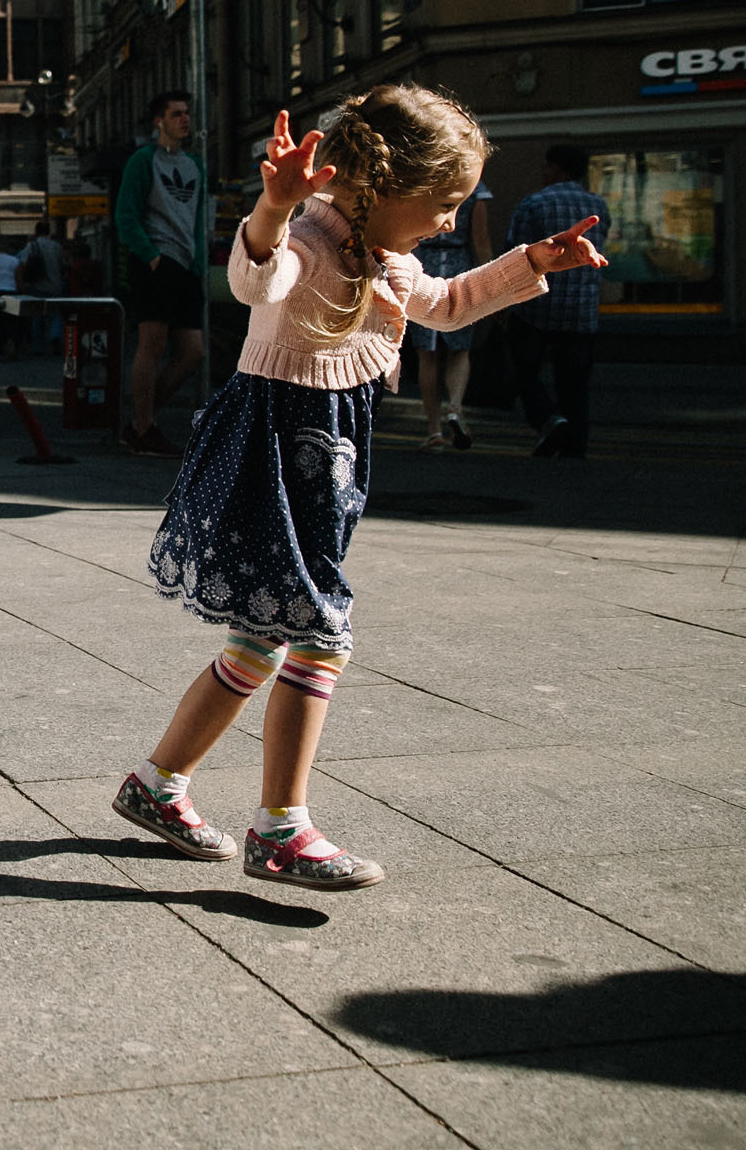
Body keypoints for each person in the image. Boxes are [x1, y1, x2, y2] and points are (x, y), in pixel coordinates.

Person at [113, 87, 603, 889]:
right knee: (319, 635)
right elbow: (253, 281)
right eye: (444, 203)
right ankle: (282, 830)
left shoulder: (388, 258)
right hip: (274, 454)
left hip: (325, 461)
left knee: (261, 638)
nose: (450, 221)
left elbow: (446, 306)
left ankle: (157, 784)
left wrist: (531, 264)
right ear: (384, 189)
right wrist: (272, 209)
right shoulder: (308, 238)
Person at [115, 92, 210, 456]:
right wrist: (152, 257)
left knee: (193, 352)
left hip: (187, 267)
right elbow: (126, 215)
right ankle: (143, 427)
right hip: (156, 262)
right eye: (176, 114)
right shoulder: (143, 160)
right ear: (159, 121)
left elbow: (199, 219)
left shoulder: (195, 166)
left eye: (187, 113)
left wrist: (198, 263)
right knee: (152, 345)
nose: (185, 120)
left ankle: (142, 420)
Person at [505, 146, 612, 458]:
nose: (543, 172)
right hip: (582, 308)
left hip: (536, 306)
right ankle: (575, 443)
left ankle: (549, 419)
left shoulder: (534, 204)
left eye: (546, 166)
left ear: (556, 169)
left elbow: (514, 253)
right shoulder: (598, 206)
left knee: (524, 371)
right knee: (575, 381)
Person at [406, 181, 493, 448]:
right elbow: (481, 240)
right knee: (460, 348)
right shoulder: (475, 190)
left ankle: (434, 430)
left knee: (426, 352)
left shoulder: (424, 183)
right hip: (459, 266)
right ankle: (454, 407)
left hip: (424, 265)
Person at [18, 219, 67, 353]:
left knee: (36, 317)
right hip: (55, 286)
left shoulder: (31, 246)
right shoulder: (56, 246)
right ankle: (55, 335)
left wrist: (22, 284)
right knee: (55, 314)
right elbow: (63, 266)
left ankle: (38, 346)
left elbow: (22, 265)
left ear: (36, 231)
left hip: (36, 286)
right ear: (48, 232)